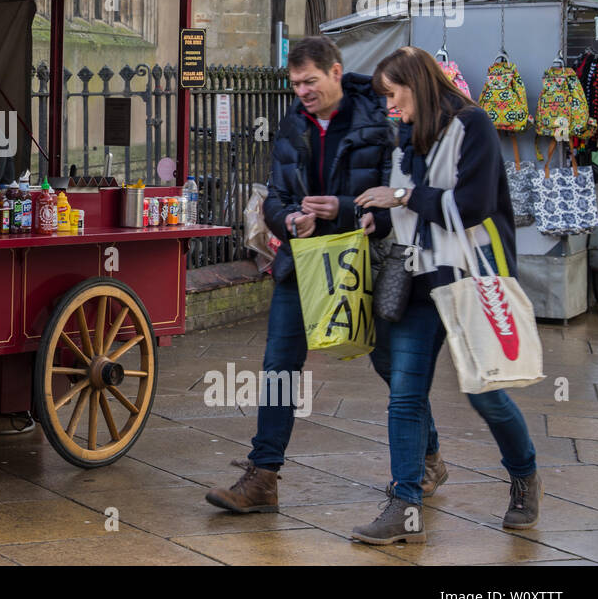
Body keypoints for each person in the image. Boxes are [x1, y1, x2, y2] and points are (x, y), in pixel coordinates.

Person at [206, 36, 406, 513]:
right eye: (295, 84)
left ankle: (429, 455)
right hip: (303, 259)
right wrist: (291, 219)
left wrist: (341, 207)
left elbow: (399, 198)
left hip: (360, 261)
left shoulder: (379, 116)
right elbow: (273, 197)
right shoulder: (293, 121)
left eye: (310, 82)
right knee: (279, 366)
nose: (302, 92)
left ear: (336, 72)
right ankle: (263, 478)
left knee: (391, 366)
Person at [352, 46, 541, 545]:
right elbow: (405, 205)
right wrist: (381, 217)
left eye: (394, 95)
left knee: (486, 394)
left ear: (417, 83)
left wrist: (403, 197)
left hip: (470, 279)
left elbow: (472, 204)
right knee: (405, 394)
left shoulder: (472, 125)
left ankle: (524, 476)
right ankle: (404, 503)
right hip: (416, 281)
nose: (391, 106)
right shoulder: (405, 136)